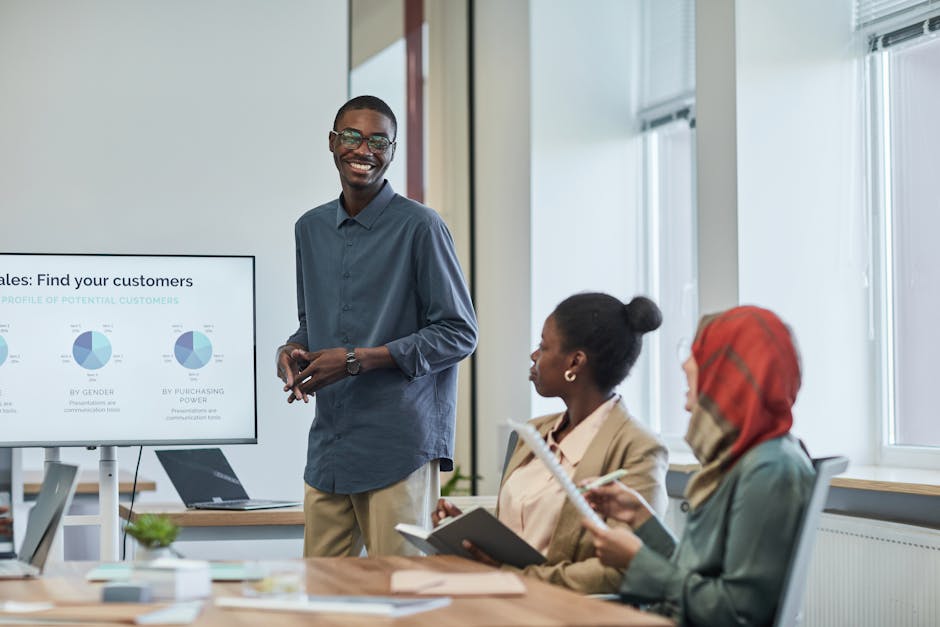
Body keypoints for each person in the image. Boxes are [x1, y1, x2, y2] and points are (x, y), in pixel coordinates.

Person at [276, 95, 478, 558]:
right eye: (351, 136)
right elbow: (314, 324)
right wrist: (292, 351)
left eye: (377, 140)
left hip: (398, 446)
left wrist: (354, 361)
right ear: (332, 142)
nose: (363, 149)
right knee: (321, 596)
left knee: (399, 597)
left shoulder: (422, 227)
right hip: (331, 446)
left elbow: (459, 332)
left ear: (391, 150)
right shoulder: (310, 228)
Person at [583, 305, 815, 626]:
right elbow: (698, 574)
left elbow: (735, 613)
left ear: (728, 373)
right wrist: (641, 519)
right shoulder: (743, 457)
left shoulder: (769, 470)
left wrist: (637, 563)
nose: (686, 363)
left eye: (699, 351)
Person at [433, 292, 668, 594]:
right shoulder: (534, 432)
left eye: (543, 346)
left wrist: (516, 578)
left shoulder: (638, 448)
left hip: (561, 611)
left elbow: (620, 571)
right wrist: (469, 535)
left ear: (575, 361)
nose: (534, 355)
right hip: (500, 599)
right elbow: (523, 533)